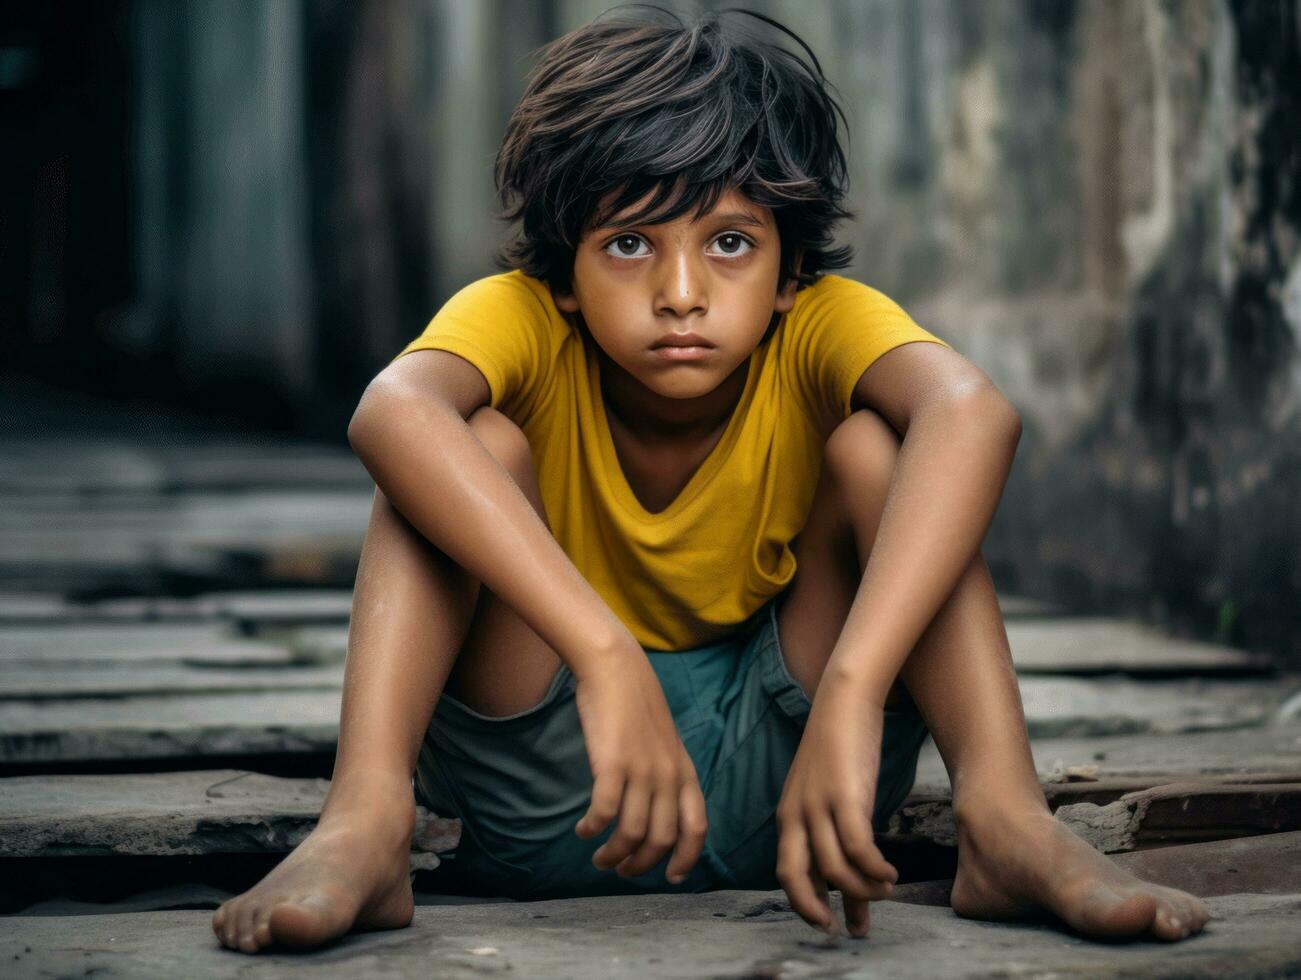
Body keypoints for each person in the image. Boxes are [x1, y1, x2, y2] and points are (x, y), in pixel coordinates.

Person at [212, 6, 1210, 954]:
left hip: (801, 791)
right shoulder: (518, 317)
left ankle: (1001, 816)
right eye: (629, 243)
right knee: (460, 445)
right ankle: (366, 818)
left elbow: (971, 410)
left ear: (786, 276)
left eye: (727, 243)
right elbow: (389, 410)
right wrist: (603, 652)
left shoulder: (817, 322)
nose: (680, 294)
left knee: (877, 449)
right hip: (556, 783)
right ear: (562, 272)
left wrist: (855, 688)